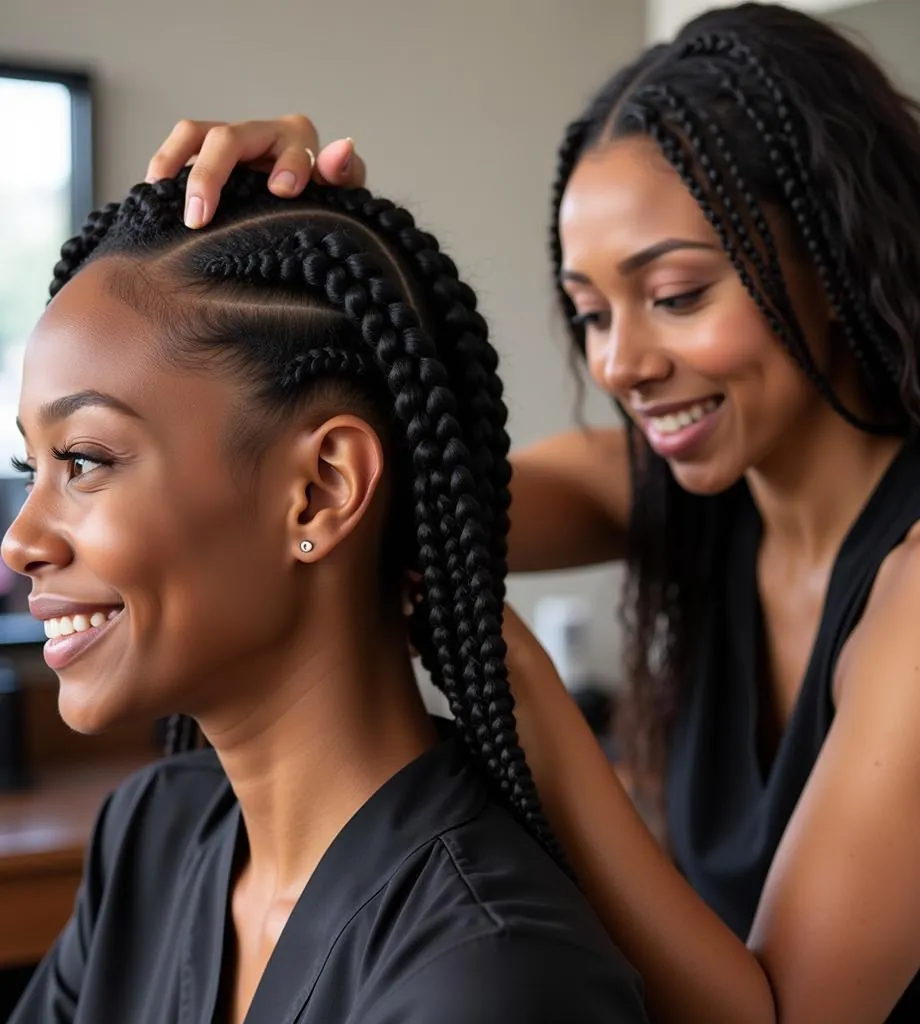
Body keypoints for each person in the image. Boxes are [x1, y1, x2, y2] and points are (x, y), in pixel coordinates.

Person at [146, 3, 920, 1022]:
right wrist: (315, 236)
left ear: (838, 261)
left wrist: (520, 690)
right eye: (593, 312)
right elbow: (385, 484)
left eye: (678, 293)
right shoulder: (675, 493)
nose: (620, 364)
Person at [3, 168, 650, 1023]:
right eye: (30, 467)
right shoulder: (153, 832)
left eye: (83, 462)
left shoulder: (496, 975)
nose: (19, 542)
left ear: (321, 490)